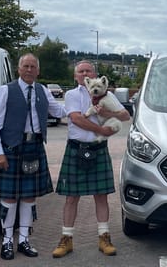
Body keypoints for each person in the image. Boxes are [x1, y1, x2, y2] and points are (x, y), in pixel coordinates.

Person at [0, 53, 67, 260]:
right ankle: (6, 241)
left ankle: (23, 240)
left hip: (34, 147)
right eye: (26, 66)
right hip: (11, 149)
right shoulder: (5, 91)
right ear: (19, 69)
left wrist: (84, 106)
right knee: (9, 197)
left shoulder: (43, 90)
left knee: (29, 197)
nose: (29, 70)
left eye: (33, 66)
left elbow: (59, 111)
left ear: (38, 71)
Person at [51, 61, 131, 258]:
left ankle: (104, 238)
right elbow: (77, 118)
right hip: (76, 148)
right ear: (76, 76)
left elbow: (125, 115)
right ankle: (66, 239)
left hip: (98, 148)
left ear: (94, 74)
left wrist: (106, 113)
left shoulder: (107, 94)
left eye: (88, 70)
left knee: (101, 195)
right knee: (71, 197)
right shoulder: (72, 95)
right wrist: (101, 130)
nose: (84, 73)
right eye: (81, 71)